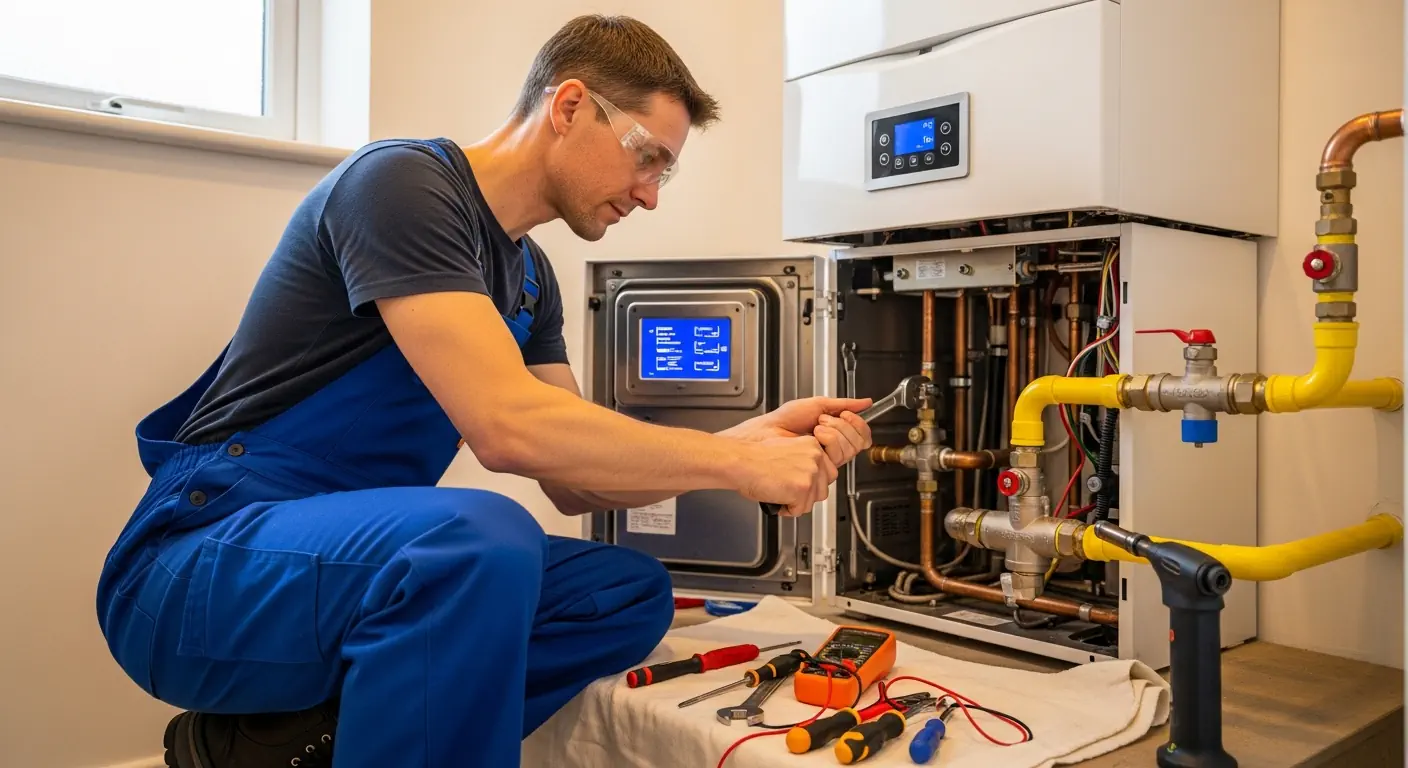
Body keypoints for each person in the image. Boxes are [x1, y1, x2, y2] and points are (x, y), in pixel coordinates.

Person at [95, 13, 873, 768]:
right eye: (647, 158)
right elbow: (507, 427)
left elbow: (575, 481)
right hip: (201, 565)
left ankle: (273, 749)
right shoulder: (400, 184)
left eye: (663, 172)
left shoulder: (530, 280)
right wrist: (737, 464)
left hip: (342, 572)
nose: (650, 195)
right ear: (570, 106)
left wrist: (746, 442)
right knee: (478, 537)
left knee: (626, 592)